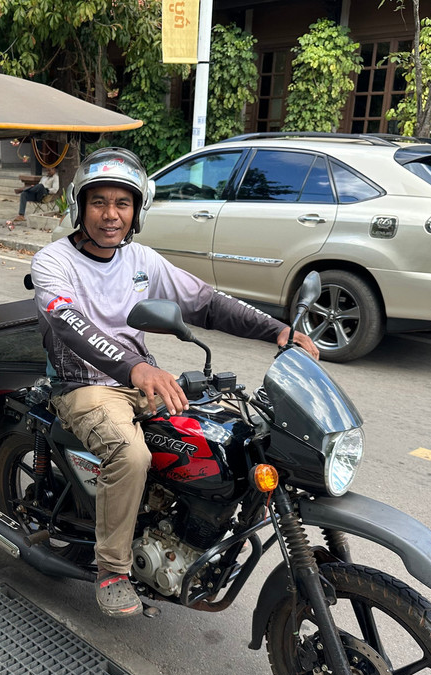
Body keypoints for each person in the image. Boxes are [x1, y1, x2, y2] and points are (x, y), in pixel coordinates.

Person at [29, 147, 319, 618]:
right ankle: (113, 570)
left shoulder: (140, 259)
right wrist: (135, 368)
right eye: (99, 202)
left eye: (122, 203)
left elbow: (205, 302)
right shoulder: (53, 260)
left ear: (137, 210)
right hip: (83, 384)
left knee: (225, 437)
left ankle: (179, 529)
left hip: (138, 380)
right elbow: (67, 322)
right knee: (131, 453)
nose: (110, 215)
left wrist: (277, 330)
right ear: (79, 206)